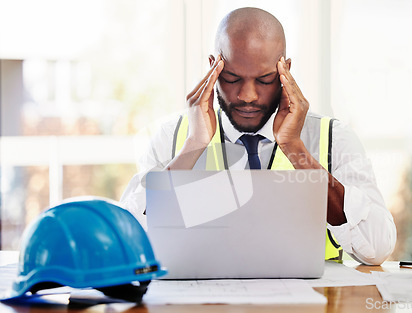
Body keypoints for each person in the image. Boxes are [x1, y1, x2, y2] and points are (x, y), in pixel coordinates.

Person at [121, 7, 396, 265]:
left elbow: (377, 248)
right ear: (212, 67)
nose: (247, 96)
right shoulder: (173, 137)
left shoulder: (334, 137)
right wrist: (192, 147)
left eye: (264, 80)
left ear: (285, 70)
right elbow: (127, 239)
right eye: (231, 78)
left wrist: (295, 149)